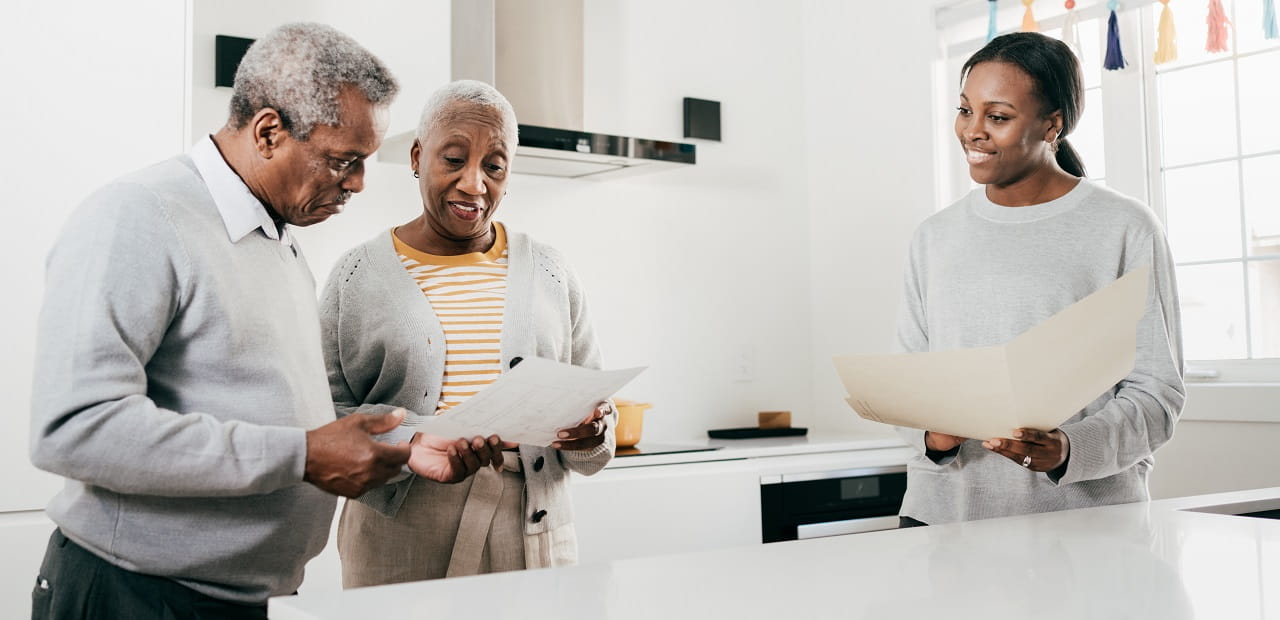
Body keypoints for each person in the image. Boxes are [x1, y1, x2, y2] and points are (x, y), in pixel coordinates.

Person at [29, 23, 497, 619]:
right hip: (135, 596)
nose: (356, 182)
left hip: (244, 600)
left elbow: (274, 415)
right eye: (342, 160)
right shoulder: (139, 217)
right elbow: (74, 428)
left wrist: (406, 445)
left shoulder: (277, 239)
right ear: (269, 131)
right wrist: (301, 455)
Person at [320, 80, 616, 587]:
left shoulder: (550, 271)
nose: (474, 184)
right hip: (401, 533)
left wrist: (591, 433)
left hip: (534, 525)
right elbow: (323, 417)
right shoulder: (356, 275)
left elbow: (593, 418)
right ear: (417, 156)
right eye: (453, 160)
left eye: (494, 166)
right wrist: (414, 437)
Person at [894, 32, 1184, 527]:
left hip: (1086, 526)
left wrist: (1068, 449)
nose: (973, 131)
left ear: (1053, 125)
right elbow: (906, 383)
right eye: (966, 110)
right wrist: (931, 435)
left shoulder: (1124, 226)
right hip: (942, 523)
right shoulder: (933, 237)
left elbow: (1157, 392)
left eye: (998, 116)